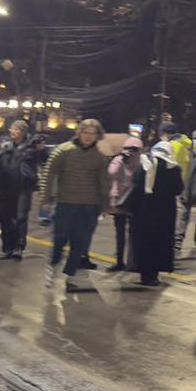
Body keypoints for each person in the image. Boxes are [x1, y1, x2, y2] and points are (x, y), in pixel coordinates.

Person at [40, 120, 109, 291]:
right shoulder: (64, 151)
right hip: (66, 203)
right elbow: (48, 174)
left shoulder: (99, 157)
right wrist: (46, 198)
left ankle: (68, 276)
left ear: (97, 136)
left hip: (88, 207)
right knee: (60, 239)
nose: (88, 136)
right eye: (86, 132)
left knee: (79, 244)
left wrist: (105, 205)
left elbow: (104, 183)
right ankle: (53, 267)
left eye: (92, 133)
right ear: (79, 132)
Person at [0, 120, 41, 261]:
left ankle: (18, 248)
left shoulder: (31, 148)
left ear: (23, 132)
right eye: (12, 129)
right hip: (6, 188)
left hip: (22, 189)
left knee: (21, 218)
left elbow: (40, 161)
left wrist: (38, 148)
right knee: (6, 219)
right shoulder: (5, 147)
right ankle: (8, 248)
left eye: (16, 129)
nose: (13, 132)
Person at [133, 139, 181, 286]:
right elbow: (178, 189)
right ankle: (153, 275)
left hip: (144, 211)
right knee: (160, 242)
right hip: (164, 212)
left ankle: (144, 273)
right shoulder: (173, 168)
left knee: (145, 241)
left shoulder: (145, 163)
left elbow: (136, 184)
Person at [105, 137, 143, 272]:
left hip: (134, 202)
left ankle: (133, 263)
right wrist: (120, 159)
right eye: (128, 149)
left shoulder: (141, 162)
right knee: (119, 233)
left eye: (134, 150)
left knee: (134, 233)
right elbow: (111, 173)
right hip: (119, 201)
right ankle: (119, 261)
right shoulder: (119, 161)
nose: (131, 153)